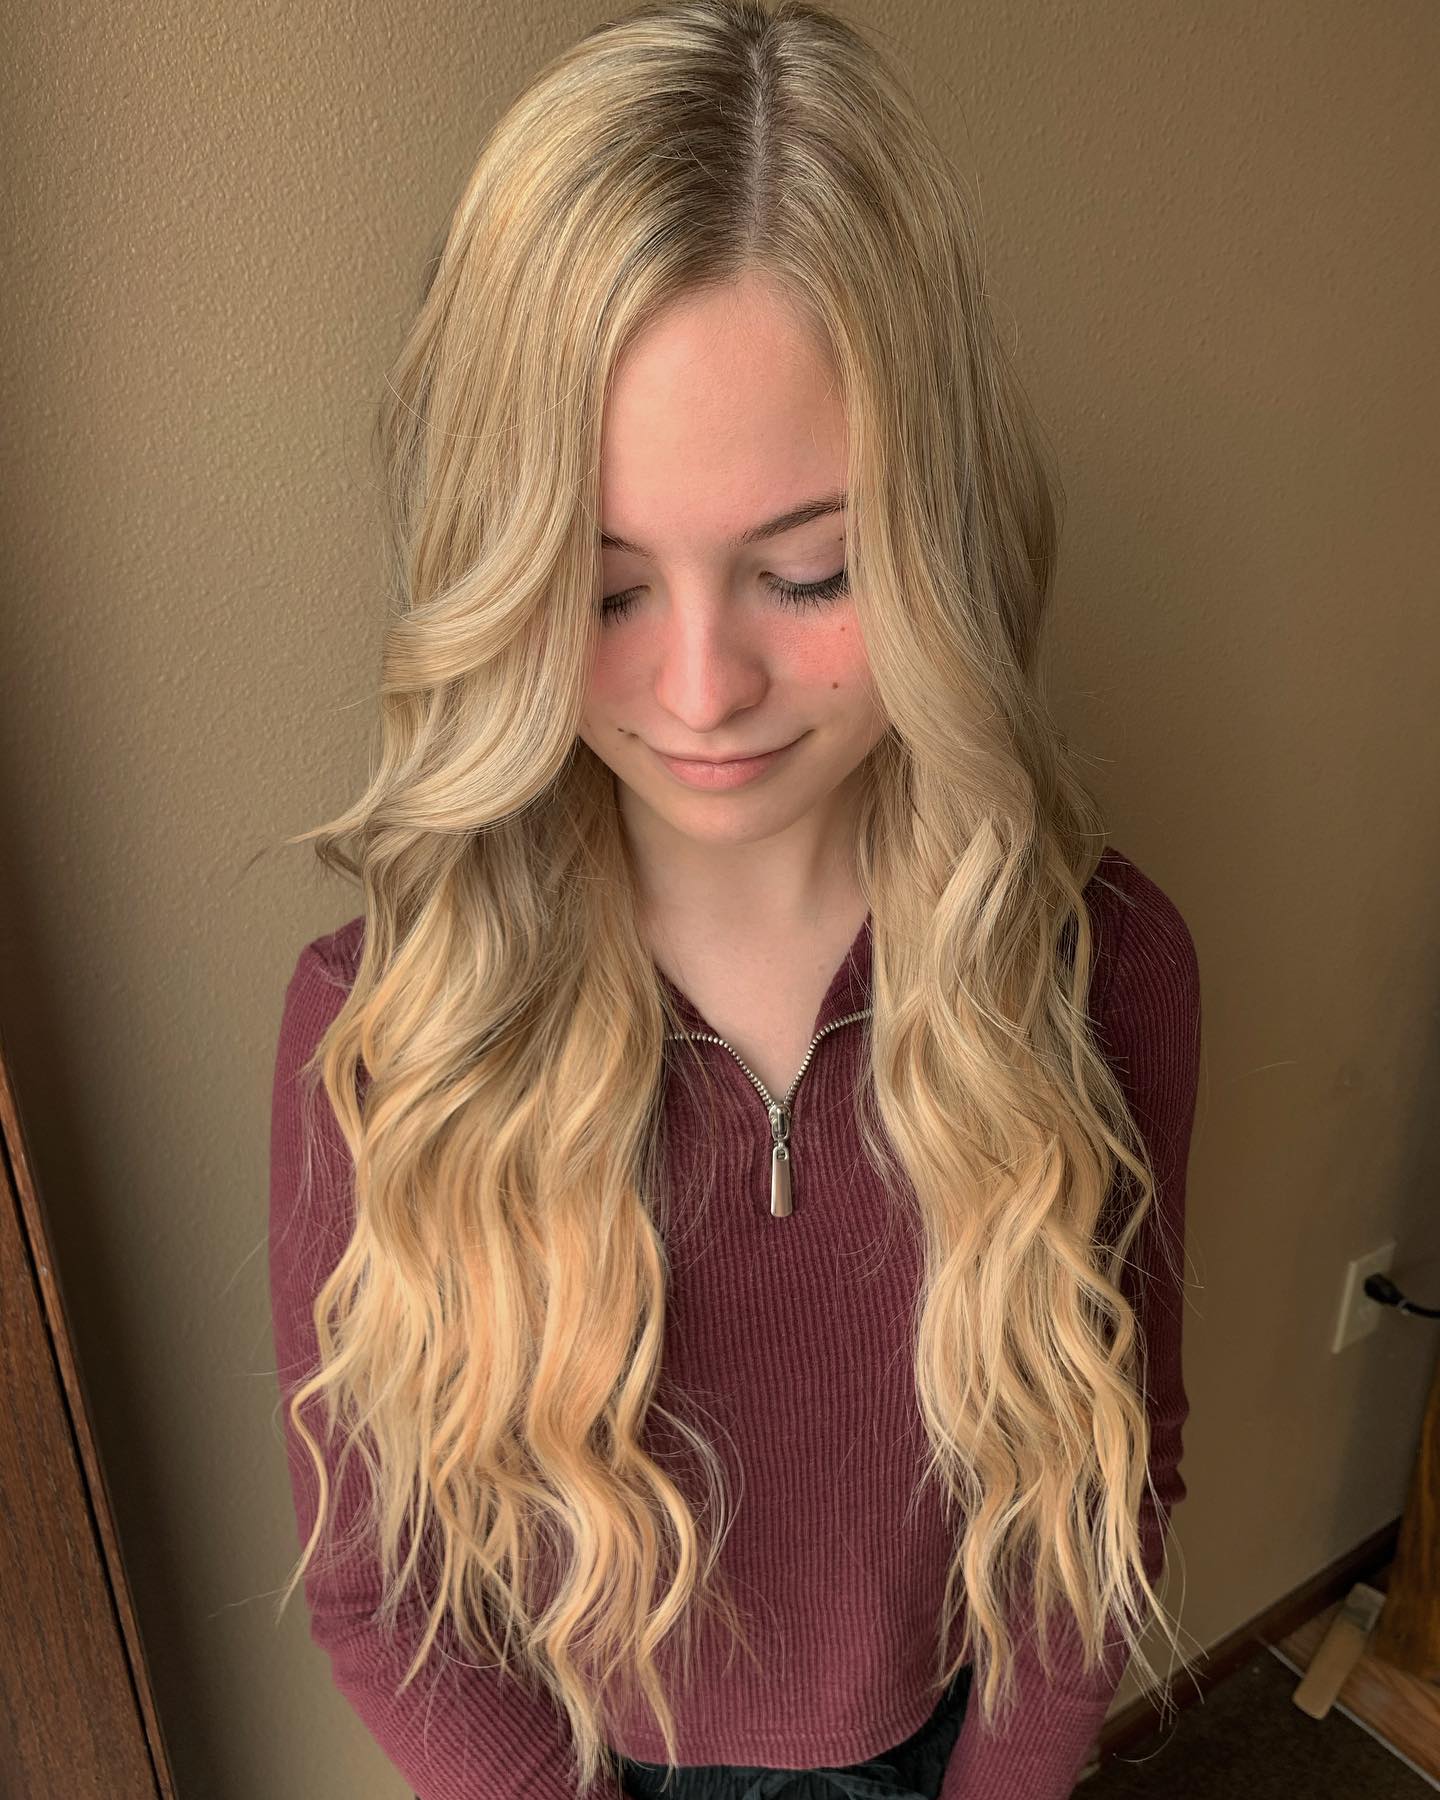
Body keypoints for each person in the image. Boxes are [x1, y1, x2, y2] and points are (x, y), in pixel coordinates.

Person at [266, 3, 1203, 1797]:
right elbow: (380, 1594)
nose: (702, 693)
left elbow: (1106, 1500)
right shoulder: (385, 1030)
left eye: (811, 572)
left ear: (935, 542)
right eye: (604, 588)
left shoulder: (1106, 973)